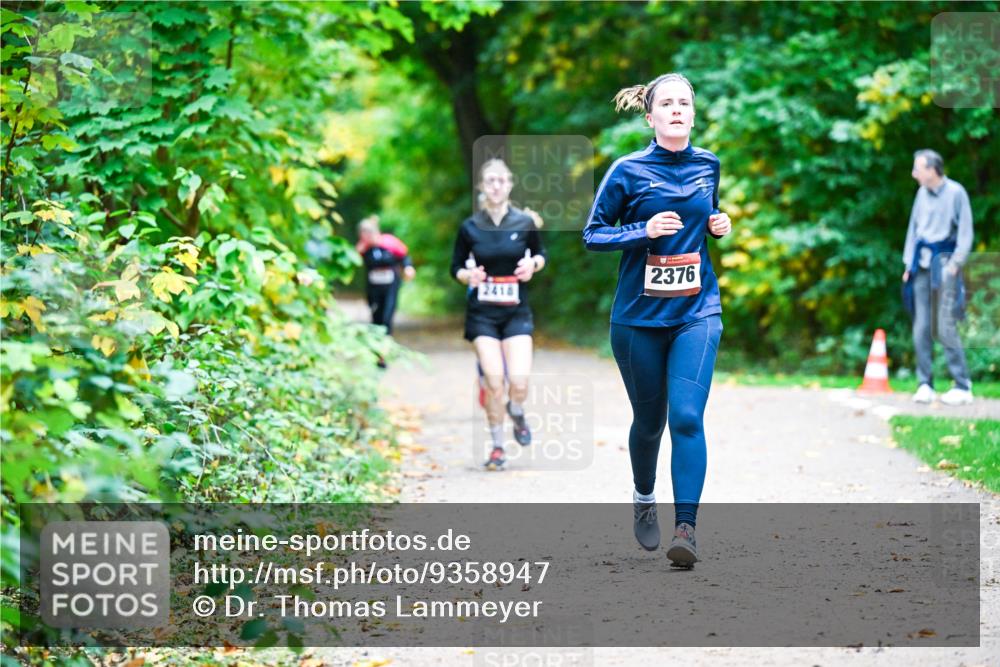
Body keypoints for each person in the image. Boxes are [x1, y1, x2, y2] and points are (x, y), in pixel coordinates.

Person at [583, 73, 732, 567]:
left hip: (696, 310)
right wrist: (641, 230)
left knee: (686, 416)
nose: (676, 110)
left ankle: (685, 528)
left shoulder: (709, 164)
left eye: (683, 103)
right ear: (650, 117)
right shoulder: (627, 171)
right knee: (649, 423)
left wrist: (719, 223)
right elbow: (593, 234)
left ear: (693, 112)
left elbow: (707, 217)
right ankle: (644, 497)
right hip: (638, 319)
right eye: (665, 104)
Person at [451, 159, 547, 471]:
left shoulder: (524, 223)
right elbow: (456, 267)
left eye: (501, 181)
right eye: (489, 181)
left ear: (509, 185)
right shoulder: (469, 227)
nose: (495, 186)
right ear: (482, 186)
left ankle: (516, 410)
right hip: (482, 314)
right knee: (494, 382)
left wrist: (533, 265)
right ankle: (496, 446)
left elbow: (541, 255)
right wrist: (468, 275)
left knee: (518, 382)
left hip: (516, 311)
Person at [902, 149, 974, 406]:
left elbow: (965, 233)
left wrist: (955, 264)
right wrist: (908, 263)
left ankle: (962, 385)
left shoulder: (956, 193)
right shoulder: (921, 194)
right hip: (921, 266)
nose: (914, 174)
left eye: (917, 169)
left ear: (932, 170)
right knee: (921, 326)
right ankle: (925, 383)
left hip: (944, 265)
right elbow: (914, 229)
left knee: (944, 325)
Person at [356, 215, 415, 345]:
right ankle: (377, 348)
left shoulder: (390, 243)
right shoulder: (363, 249)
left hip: (390, 285)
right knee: (376, 317)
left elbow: (404, 257)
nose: (365, 237)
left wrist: (408, 268)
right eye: (362, 234)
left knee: (387, 316)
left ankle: (385, 346)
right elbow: (352, 262)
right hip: (373, 288)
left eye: (367, 233)